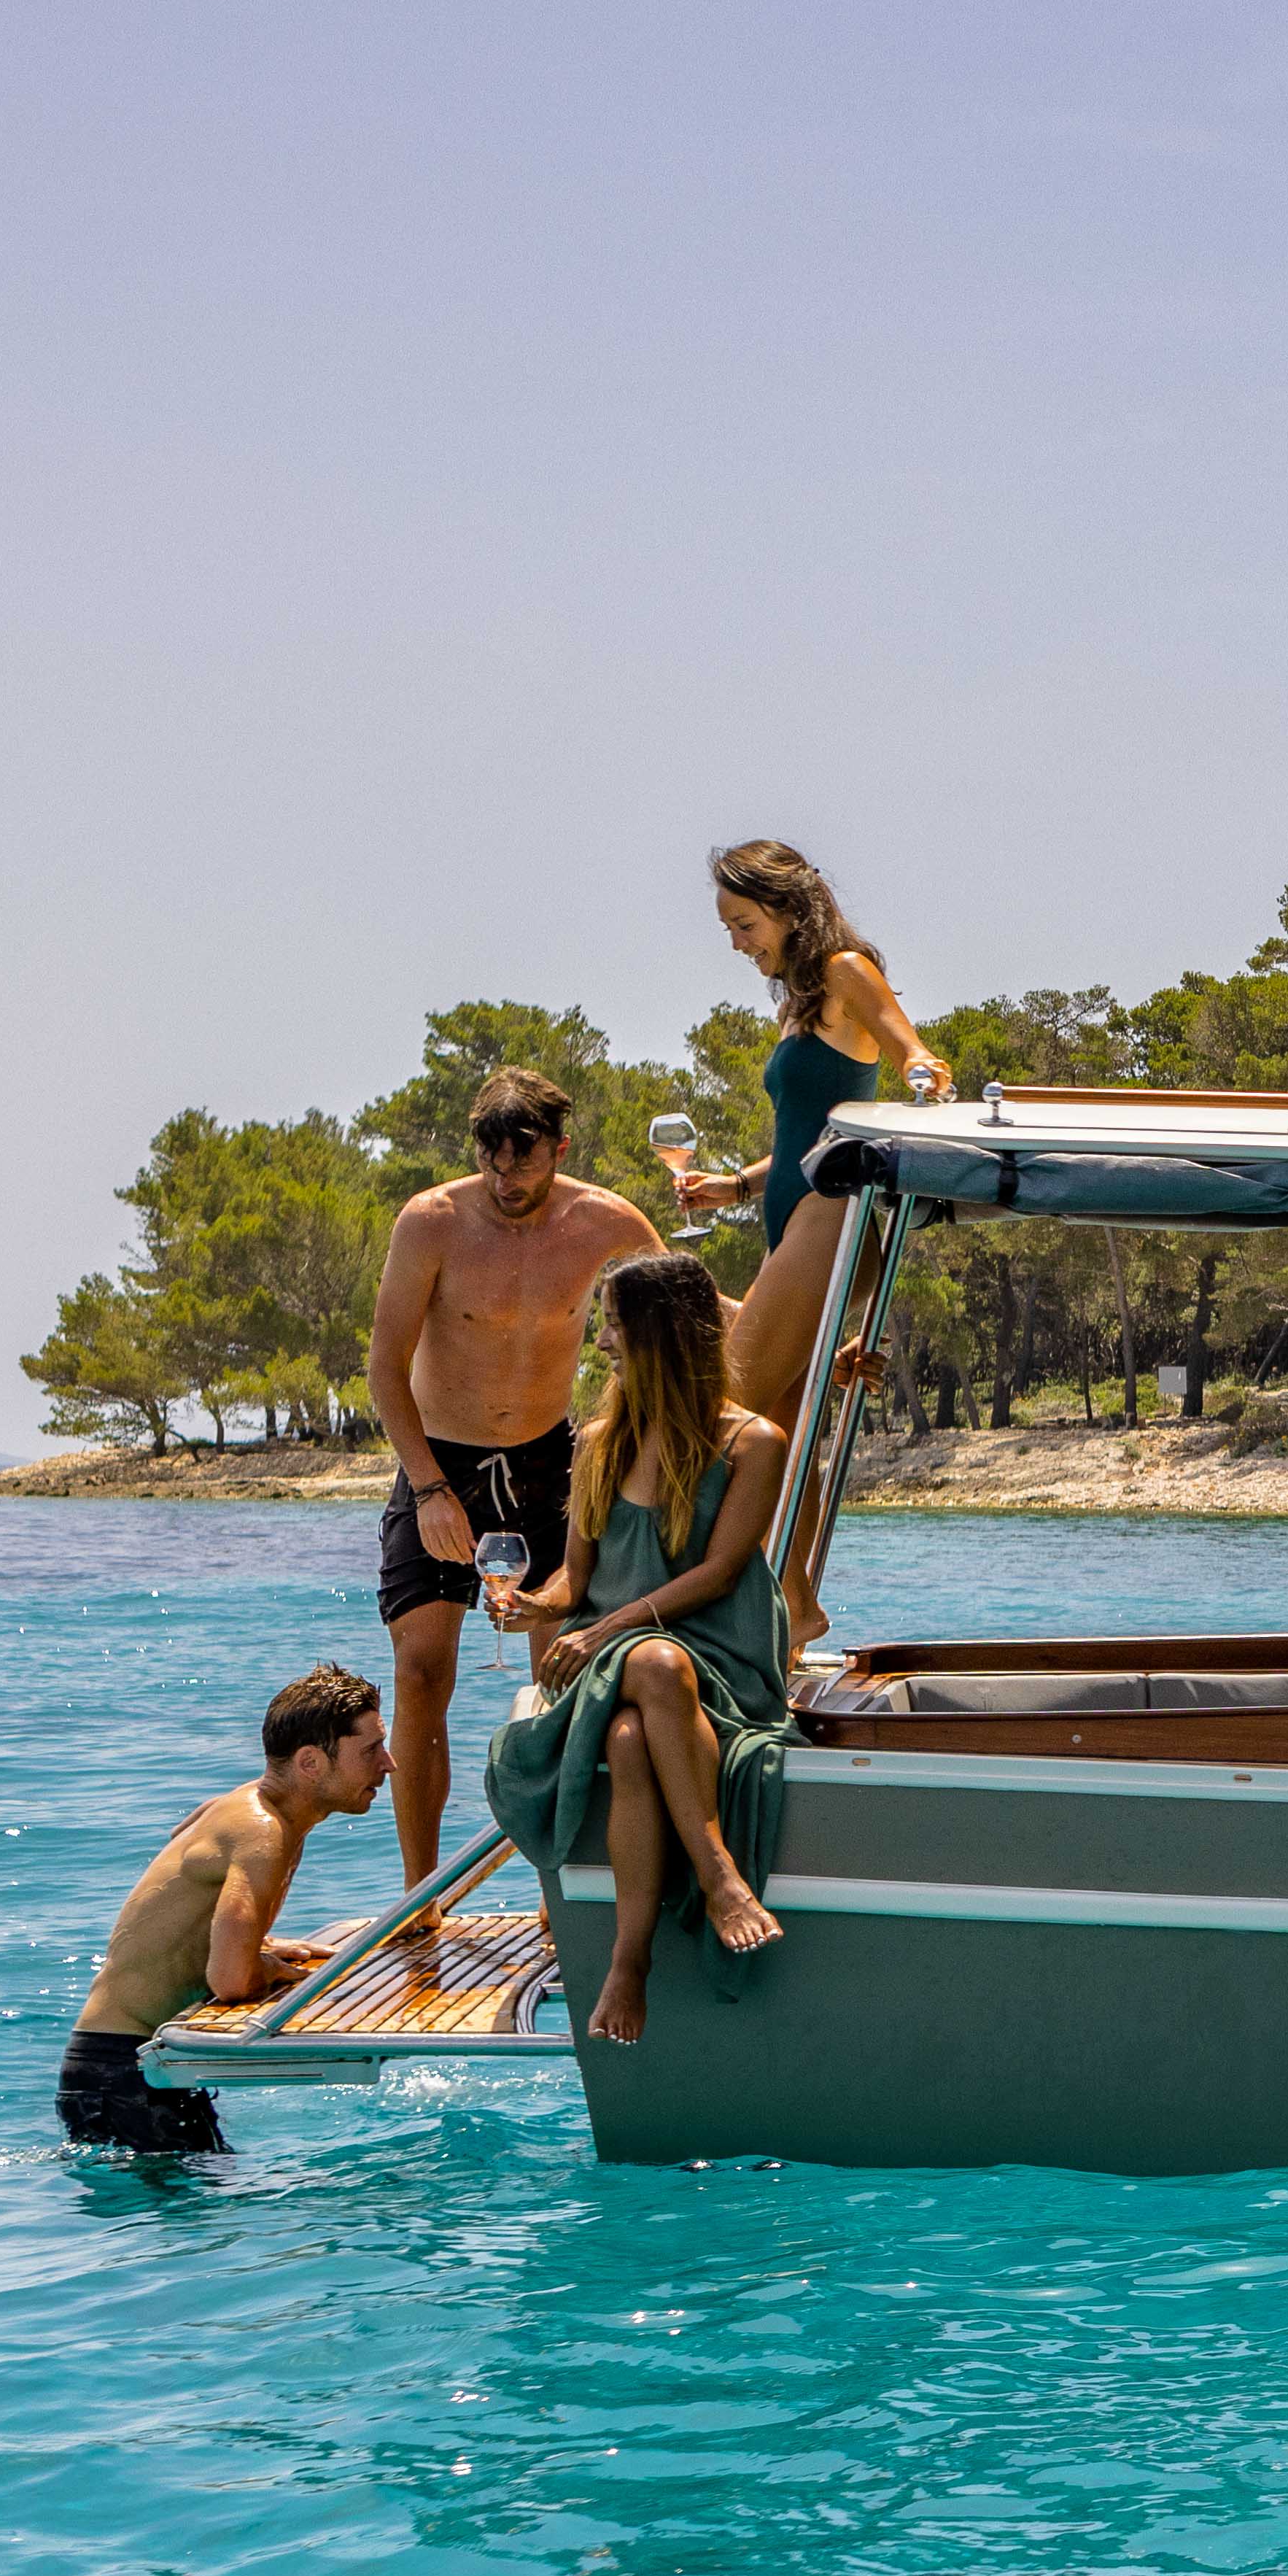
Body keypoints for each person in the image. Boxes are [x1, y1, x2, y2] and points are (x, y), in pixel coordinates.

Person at [365, 1066, 667, 1885]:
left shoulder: (605, 1220)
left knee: (558, 1671)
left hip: (551, 1462)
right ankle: (421, 1896)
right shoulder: (430, 1221)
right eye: (492, 1164)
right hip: (441, 1460)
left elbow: (688, 1316)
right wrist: (426, 1487)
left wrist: (824, 1347)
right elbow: (385, 1366)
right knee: (423, 1671)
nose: (505, 1182)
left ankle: (556, 1889)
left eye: (523, 1164)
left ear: (559, 1150)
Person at [488, 1253, 793, 2049]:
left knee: (644, 1706)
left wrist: (603, 1629)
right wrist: (536, 1606)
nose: (602, 1343)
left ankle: (666, 1926)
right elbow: (574, 1578)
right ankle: (673, 1921)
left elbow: (720, 1571)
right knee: (639, 1698)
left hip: (717, 1655)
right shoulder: (598, 1441)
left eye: (615, 1323)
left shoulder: (752, 1442)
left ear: (659, 1330)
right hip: (621, 1654)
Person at [659, 838, 941, 1436]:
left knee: (723, 1421)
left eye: (745, 924)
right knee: (781, 1443)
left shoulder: (845, 973)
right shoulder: (796, 1005)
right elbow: (806, 1143)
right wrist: (737, 1186)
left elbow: (910, 1049)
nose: (736, 942)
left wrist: (922, 1071)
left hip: (827, 1222)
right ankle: (783, 1535)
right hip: (791, 1224)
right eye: (728, 928)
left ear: (790, 911)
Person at [61, 1665, 392, 2154]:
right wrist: (266, 1965)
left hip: (138, 2069)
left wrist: (259, 1943)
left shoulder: (249, 1810)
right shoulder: (262, 1832)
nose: (389, 1765)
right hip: (122, 2076)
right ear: (310, 1763)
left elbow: (182, 1899)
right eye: (370, 1751)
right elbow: (232, 1981)